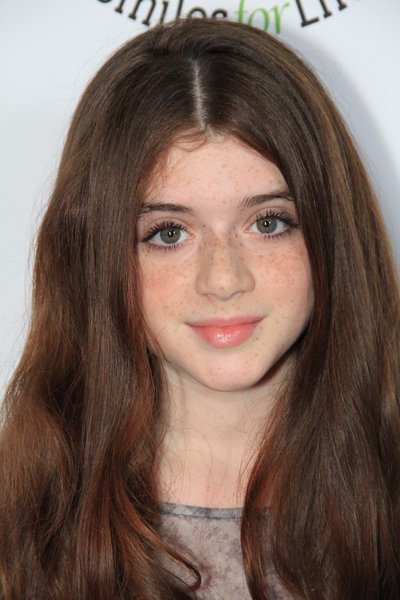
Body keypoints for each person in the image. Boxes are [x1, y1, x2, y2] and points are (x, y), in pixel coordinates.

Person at [0, 16, 399, 600]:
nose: (223, 280)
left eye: (268, 223)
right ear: (97, 258)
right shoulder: (21, 525)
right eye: (169, 233)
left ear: (331, 235)